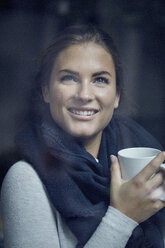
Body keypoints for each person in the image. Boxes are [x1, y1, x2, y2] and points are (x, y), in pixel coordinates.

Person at [1, 25, 165, 248]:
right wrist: (123, 217)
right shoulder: (24, 178)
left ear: (116, 96)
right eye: (69, 78)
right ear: (46, 91)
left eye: (100, 80)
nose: (84, 95)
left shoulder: (137, 154)